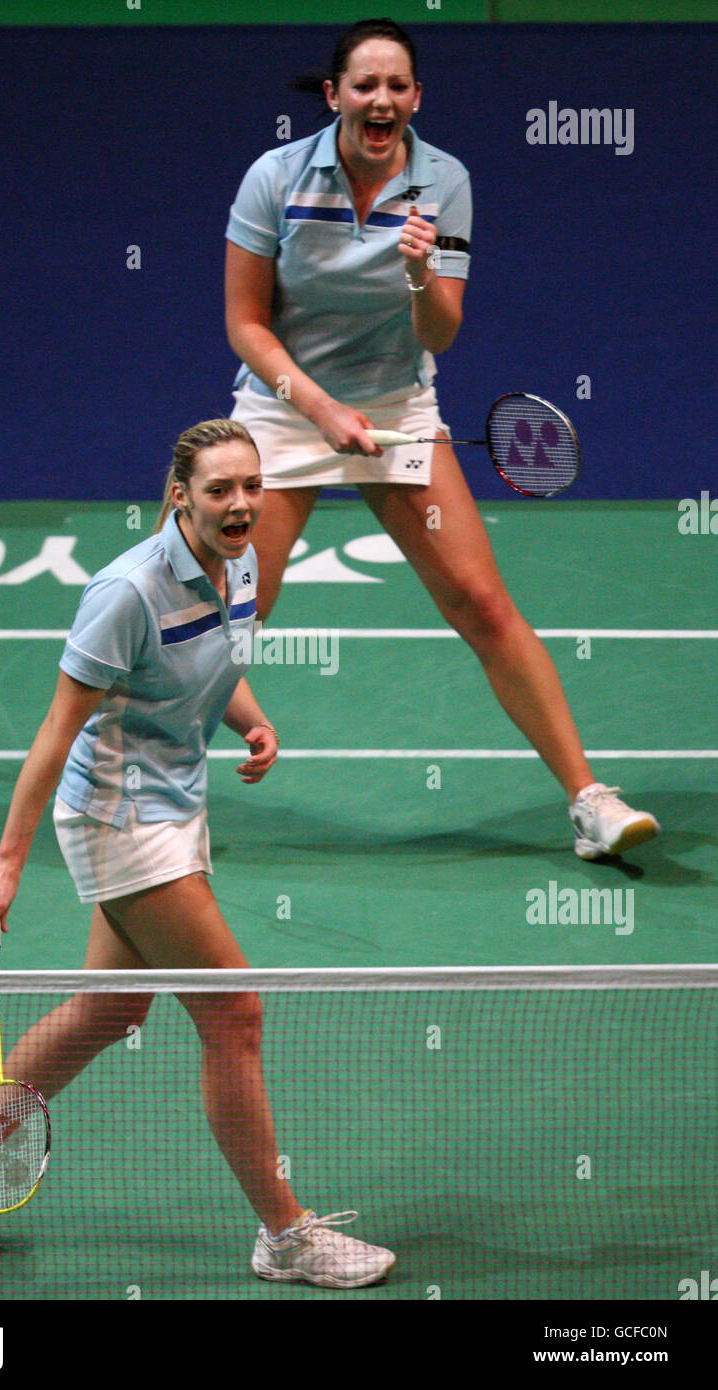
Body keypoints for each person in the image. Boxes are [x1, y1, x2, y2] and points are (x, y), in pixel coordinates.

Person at [0, 418, 395, 1291]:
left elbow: (216, 656)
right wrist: (9, 859)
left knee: (111, 1010)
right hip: (121, 819)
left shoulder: (237, 560)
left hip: (177, 801)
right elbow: (57, 733)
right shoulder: (125, 592)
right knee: (234, 1013)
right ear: (180, 497)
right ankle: (284, 1234)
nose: (240, 504)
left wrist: (248, 718)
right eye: (218, 490)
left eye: (251, 486)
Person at [224, 18, 659, 860]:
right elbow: (246, 325)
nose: (380, 100)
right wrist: (318, 411)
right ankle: (137, 783)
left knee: (483, 606)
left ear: (415, 97)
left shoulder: (444, 181)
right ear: (334, 94)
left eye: (397, 86)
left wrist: (421, 271)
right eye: (364, 85)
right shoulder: (274, 177)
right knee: (230, 620)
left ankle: (588, 800)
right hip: (284, 409)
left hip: (397, 409)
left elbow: (444, 332)